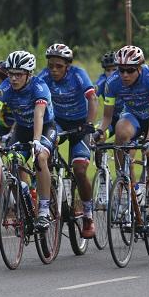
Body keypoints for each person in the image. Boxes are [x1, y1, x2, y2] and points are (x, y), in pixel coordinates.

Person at [95, 45, 149, 254]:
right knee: (120, 130)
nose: (125, 74)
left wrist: (148, 139)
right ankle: (127, 184)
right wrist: (99, 132)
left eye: (130, 70)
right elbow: (108, 117)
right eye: (121, 70)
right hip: (134, 116)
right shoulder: (112, 83)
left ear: (140, 68)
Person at [0, 50, 57, 231]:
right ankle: (25, 196)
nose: (13, 78)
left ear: (29, 74)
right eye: (11, 73)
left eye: (18, 74)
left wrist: (36, 141)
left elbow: (39, 115)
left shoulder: (39, 87)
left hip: (44, 127)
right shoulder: (3, 88)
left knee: (41, 157)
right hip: (21, 129)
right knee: (12, 159)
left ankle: (43, 211)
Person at [38, 43, 98, 238]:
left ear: (68, 66)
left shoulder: (78, 75)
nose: (54, 70)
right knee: (42, 155)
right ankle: (48, 195)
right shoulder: (44, 77)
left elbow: (92, 99)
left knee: (79, 170)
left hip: (80, 124)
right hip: (57, 123)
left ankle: (88, 215)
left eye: (59, 66)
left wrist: (89, 123)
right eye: (51, 66)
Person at [95, 51, 121, 140]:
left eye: (114, 69)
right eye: (108, 70)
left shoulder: (127, 79)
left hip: (128, 119)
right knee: (96, 136)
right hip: (110, 120)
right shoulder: (102, 81)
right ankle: (100, 153)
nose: (111, 73)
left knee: (122, 141)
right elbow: (92, 97)